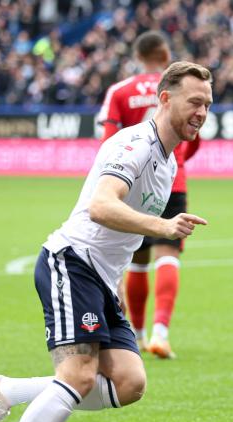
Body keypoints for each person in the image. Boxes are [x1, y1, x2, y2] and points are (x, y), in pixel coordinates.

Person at [0, 61, 212, 422]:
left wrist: (115, 285)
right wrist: (161, 227)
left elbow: (119, 237)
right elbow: (102, 206)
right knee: (79, 375)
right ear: (165, 99)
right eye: (194, 102)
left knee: (129, 383)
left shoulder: (168, 158)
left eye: (207, 105)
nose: (201, 112)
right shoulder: (136, 143)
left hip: (100, 279)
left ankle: (6, 391)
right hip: (71, 262)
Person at [98, 31, 202, 359]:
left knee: (138, 261)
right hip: (173, 180)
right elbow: (193, 138)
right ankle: (160, 332)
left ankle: (136, 334)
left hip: (133, 184)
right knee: (168, 254)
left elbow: (109, 143)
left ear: (137, 55)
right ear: (165, 53)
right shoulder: (179, 89)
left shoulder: (120, 91)